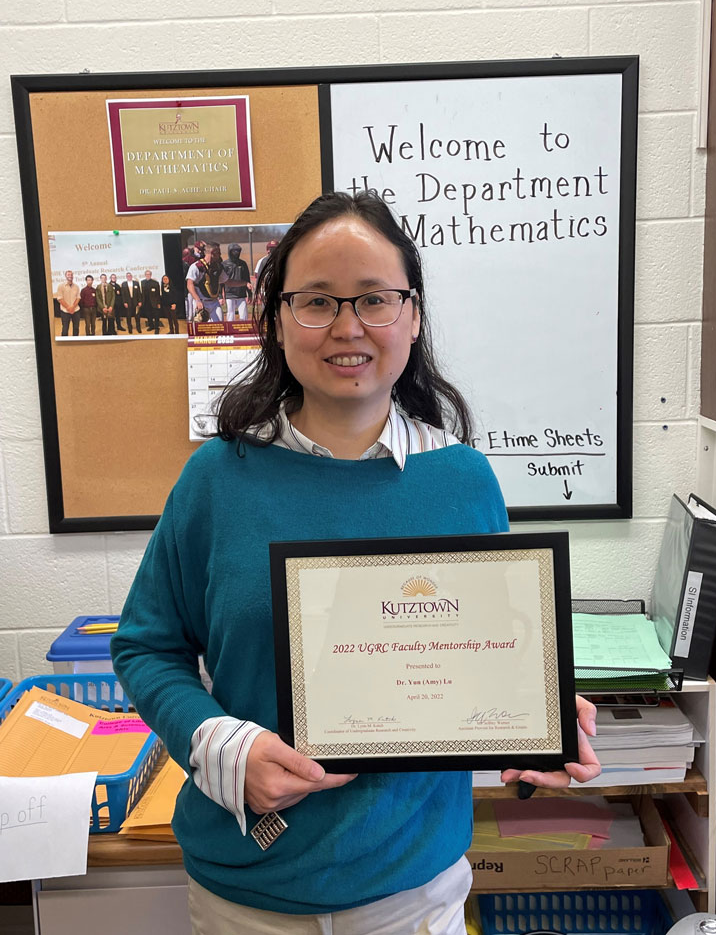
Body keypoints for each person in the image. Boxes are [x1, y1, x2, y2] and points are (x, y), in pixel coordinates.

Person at [111, 192, 599, 935]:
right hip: (247, 896)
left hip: (414, 893)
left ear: (413, 315)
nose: (347, 327)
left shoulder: (465, 482)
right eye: (316, 301)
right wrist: (222, 746)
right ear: (276, 317)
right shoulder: (216, 479)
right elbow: (146, 645)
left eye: (374, 299)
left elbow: (490, 658)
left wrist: (541, 722)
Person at [186, 241, 226, 321]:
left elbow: (227, 281)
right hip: (201, 302)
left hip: (214, 302)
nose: (220, 255)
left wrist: (245, 283)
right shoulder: (197, 266)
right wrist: (197, 300)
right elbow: (189, 284)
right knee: (201, 329)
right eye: (218, 253)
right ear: (212, 253)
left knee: (220, 327)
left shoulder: (217, 267)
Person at [221, 242, 252, 321]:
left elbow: (247, 279)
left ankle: (244, 331)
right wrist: (221, 296)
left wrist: (250, 294)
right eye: (234, 251)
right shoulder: (224, 264)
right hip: (229, 294)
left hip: (241, 294)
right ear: (229, 252)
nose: (236, 253)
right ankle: (230, 333)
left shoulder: (243, 263)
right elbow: (221, 281)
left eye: (238, 251)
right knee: (230, 314)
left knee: (244, 315)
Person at [55, 270, 81, 336]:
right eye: (69, 275)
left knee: (76, 328)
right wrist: (68, 308)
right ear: (65, 276)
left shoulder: (76, 286)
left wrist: (73, 307)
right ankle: (64, 344)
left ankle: (75, 342)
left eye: (71, 275)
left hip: (76, 310)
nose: (70, 276)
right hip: (65, 311)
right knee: (65, 328)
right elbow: (60, 298)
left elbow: (78, 298)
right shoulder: (61, 286)